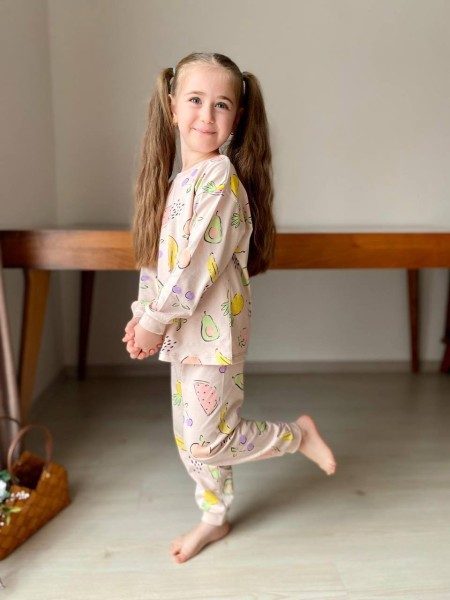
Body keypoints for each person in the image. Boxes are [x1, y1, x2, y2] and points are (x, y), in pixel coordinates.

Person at [122, 52, 337, 564]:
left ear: (237, 117)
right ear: (172, 106)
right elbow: (158, 260)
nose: (206, 115)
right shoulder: (177, 182)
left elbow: (196, 265)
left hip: (214, 333)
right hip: (183, 331)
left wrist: (154, 319)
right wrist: (143, 312)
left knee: (206, 441)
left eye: (221, 105)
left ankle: (296, 435)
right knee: (189, 439)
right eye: (195, 100)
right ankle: (214, 518)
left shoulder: (219, 179)